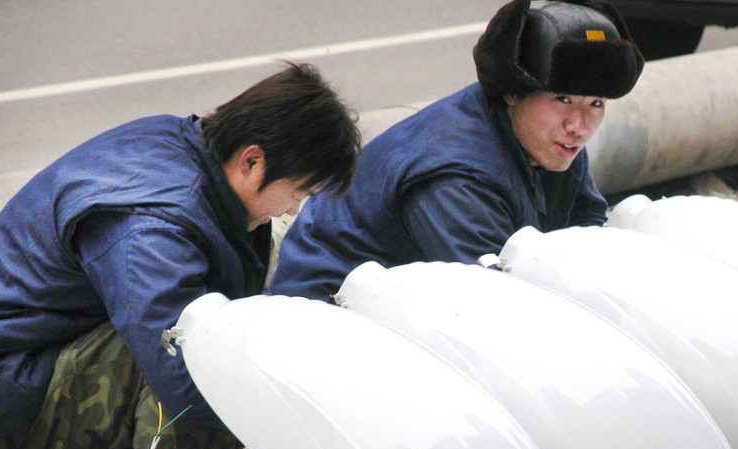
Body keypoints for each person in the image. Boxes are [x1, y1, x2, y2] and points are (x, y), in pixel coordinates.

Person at [0, 62, 361, 449]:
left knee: (207, 348)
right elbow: (180, 377)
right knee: (205, 363)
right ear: (252, 161)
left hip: (24, 367)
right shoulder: (154, 224)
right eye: (299, 191)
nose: (295, 208)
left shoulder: (181, 146)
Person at [268, 0, 645, 302]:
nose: (579, 125)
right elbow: (495, 302)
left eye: (596, 104)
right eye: (563, 99)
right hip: (326, 318)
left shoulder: (550, 140)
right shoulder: (457, 178)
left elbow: (585, 229)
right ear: (513, 92)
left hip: (413, 305)